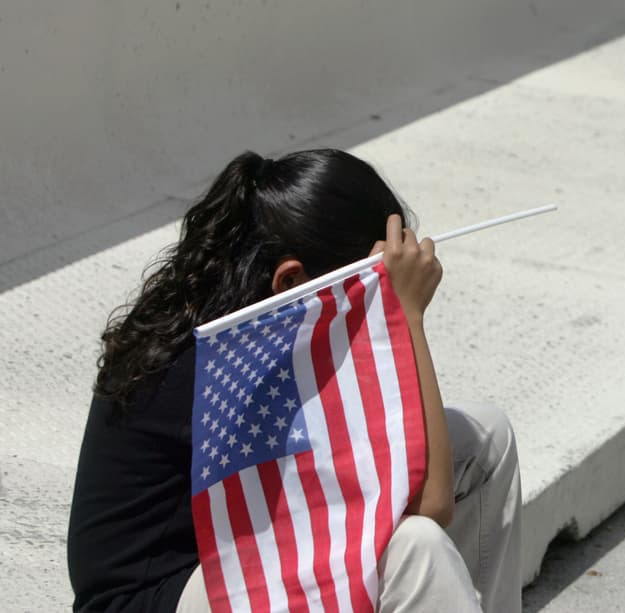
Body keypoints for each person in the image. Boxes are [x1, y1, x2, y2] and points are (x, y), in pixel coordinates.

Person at [67, 149, 522, 612]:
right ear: (290, 280)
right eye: (369, 286)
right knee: (412, 548)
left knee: (488, 436)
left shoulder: (260, 311)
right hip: (162, 598)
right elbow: (431, 502)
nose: (375, 303)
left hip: (238, 552)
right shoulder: (222, 361)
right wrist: (406, 314)